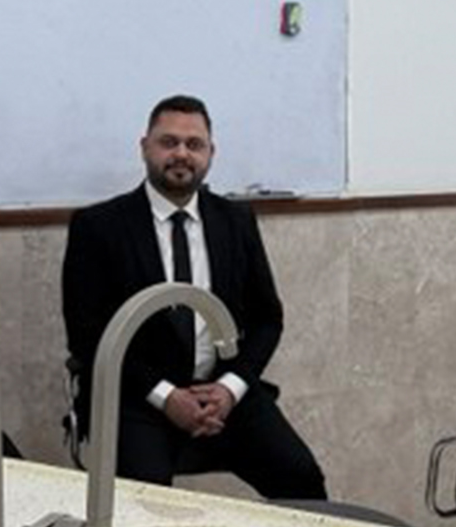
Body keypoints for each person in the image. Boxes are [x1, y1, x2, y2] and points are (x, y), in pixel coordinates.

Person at [60, 95, 327, 499]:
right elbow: (87, 336)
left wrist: (230, 388)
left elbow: (267, 318)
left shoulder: (236, 221)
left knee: (301, 477)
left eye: (194, 144)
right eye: (169, 142)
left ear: (210, 153)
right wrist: (167, 397)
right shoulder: (98, 227)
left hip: (225, 393)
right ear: (145, 147)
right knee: (145, 502)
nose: (182, 154)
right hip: (138, 397)